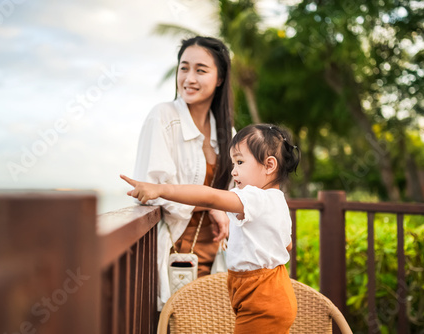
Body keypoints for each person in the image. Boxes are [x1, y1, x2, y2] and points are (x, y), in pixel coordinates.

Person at [122, 123, 300, 333]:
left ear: (269, 166)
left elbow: (211, 196)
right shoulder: (276, 200)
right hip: (269, 292)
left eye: (240, 162)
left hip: (262, 299)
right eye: (233, 163)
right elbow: (286, 245)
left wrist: (161, 189)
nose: (233, 171)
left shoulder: (256, 197)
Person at [131, 36, 234, 310]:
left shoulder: (228, 133)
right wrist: (214, 203)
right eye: (184, 68)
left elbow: (239, 194)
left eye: (201, 70)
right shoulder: (162, 117)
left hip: (219, 254)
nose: (189, 78)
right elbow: (149, 192)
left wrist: (221, 204)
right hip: (175, 253)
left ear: (220, 79)